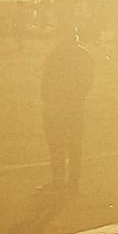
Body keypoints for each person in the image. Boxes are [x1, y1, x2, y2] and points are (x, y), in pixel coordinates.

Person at [41, 26, 94, 192]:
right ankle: (73, 181)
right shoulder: (85, 56)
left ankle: (58, 179)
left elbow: (47, 78)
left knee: (57, 144)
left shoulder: (56, 54)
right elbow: (87, 82)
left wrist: (48, 97)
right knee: (74, 144)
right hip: (74, 105)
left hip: (57, 104)